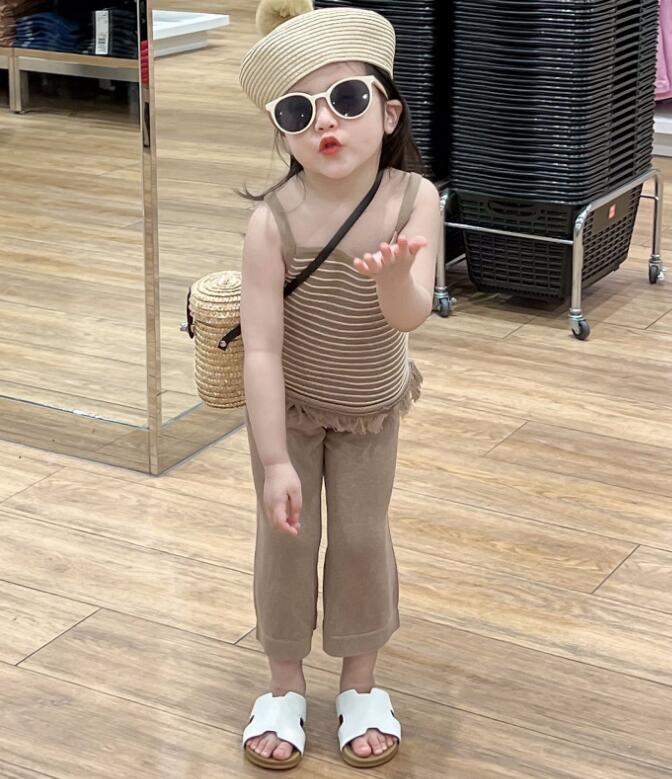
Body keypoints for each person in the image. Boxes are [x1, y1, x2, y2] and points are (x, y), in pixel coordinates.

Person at [238, 0, 441, 770]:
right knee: (285, 543)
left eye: (347, 98)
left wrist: (392, 278)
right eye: (299, 110)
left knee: (360, 539)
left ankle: (361, 683)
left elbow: (410, 314)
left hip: (369, 410)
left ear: (388, 113)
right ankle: (283, 686)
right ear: (283, 132)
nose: (325, 120)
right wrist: (274, 460)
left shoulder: (413, 199)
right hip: (285, 412)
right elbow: (262, 350)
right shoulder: (272, 221)